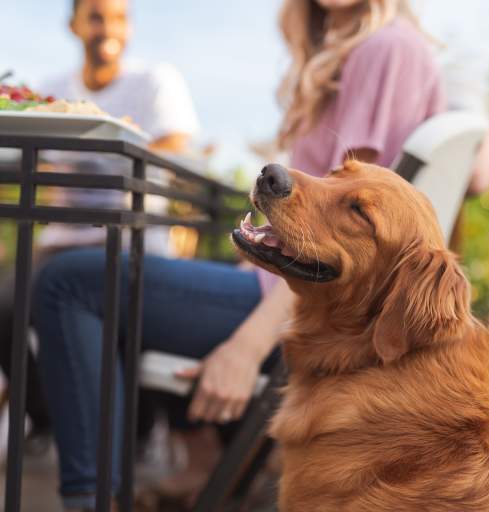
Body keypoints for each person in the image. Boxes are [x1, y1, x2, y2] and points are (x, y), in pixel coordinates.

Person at [33, 0, 445, 509]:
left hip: (290, 307)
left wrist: (248, 346)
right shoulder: (372, 47)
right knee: (123, 279)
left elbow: (354, 240)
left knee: (68, 283)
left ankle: (94, 500)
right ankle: (197, 461)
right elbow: (474, 173)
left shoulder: (386, 48)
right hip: (276, 286)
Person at [0, 0, 199, 458]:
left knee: (121, 320)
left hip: (134, 235)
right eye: (95, 14)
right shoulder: (49, 90)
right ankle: (49, 419)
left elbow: (175, 150)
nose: (107, 26)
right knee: (6, 308)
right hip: (63, 240)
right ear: (73, 25)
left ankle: (135, 434)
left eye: (118, 16)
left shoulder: (154, 81)